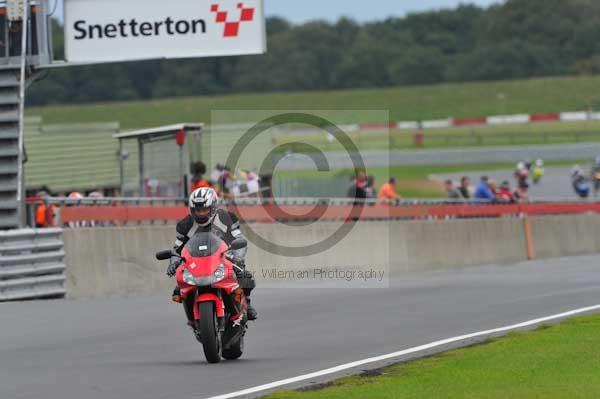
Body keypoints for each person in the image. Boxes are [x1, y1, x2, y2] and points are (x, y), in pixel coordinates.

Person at [167, 188, 258, 322]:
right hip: (196, 263)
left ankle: (246, 304)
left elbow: (239, 239)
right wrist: (173, 262)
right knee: (178, 290)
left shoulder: (228, 218)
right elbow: (177, 249)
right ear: (192, 210)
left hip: (223, 258)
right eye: (198, 210)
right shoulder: (184, 225)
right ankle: (192, 316)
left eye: (205, 209)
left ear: (214, 207)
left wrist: (237, 256)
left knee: (244, 276)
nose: (201, 213)